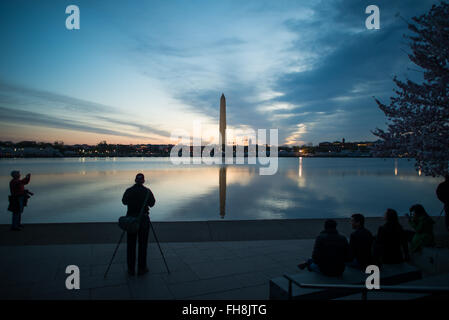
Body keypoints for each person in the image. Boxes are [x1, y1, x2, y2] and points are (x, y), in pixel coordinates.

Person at [122, 173, 156, 276]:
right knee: (143, 245)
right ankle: (142, 268)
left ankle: (131, 269)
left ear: (135, 180)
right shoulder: (147, 191)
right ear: (143, 181)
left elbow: (124, 201)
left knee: (131, 245)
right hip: (144, 220)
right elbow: (152, 203)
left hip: (131, 221)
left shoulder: (129, 191)